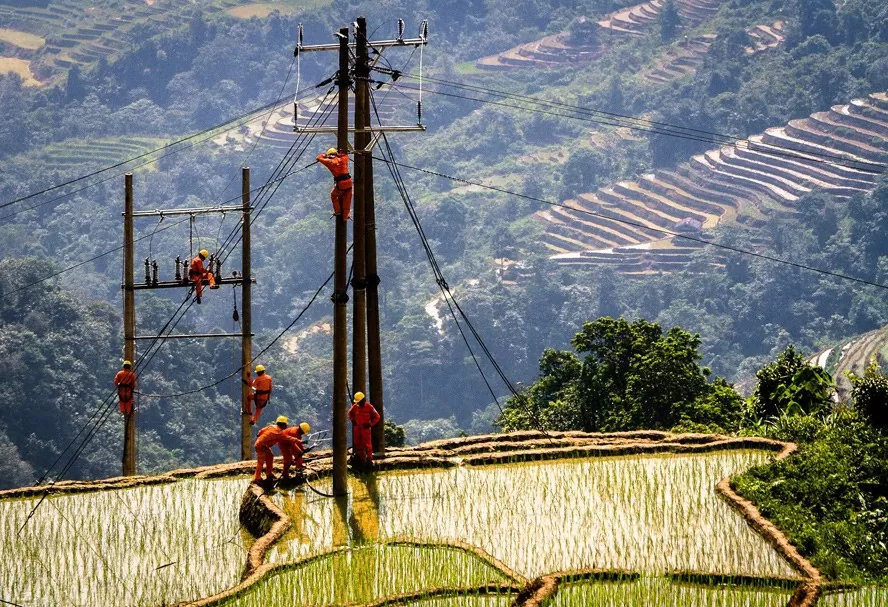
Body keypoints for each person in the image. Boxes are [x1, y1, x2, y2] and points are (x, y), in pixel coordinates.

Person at [316, 148, 353, 220]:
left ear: (329, 155)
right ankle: (345, 216)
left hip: (341, 184)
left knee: (334, 195)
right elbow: (345, 155)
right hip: (349, 182)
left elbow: (318, 157)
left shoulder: (329, 161)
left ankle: (338, 211)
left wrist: (325, 155)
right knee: (347, 200)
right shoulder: (343, 159)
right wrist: (339, 153)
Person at [253, 415, 289, 483]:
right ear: (282, 424)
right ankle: (257, 478)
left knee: (270, 455)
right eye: (286, 424)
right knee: (260, 461)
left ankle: (269, 473)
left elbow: (262, 430)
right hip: (261, 445)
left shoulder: (272, 426)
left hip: (263, 445)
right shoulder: (279, 432)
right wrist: (299, 441)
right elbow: (289, 438)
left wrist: (259, 434)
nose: (287, 425)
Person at [347, 391, 380, 465]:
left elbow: (377, 417)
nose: (358, 403)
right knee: (357, 443)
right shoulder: (355, 406)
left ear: (363, 400)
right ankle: (360, 457)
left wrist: (370, 424)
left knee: (367, 444)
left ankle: (369, 458)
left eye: (359, 401)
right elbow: (349, 413)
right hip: (357, 428)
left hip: (365, 428)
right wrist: (352, 420)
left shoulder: (370, 407)